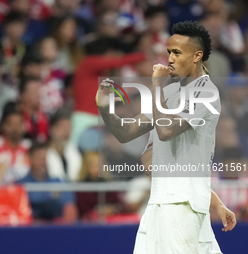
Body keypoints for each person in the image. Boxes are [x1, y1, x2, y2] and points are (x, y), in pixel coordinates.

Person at [96, 21, 236, 253]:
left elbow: (166, 130)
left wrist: (156, 86)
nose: (169, 58)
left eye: (177, 53)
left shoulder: (206, 93)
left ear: (196, 56)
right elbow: (125, 133)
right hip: (162, 204)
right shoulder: (169, 92)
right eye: (169, 52)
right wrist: (105, 109)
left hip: (181, 207)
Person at [17, 142, 77, 223]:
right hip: (32, 228)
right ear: (30, 159)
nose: (43, 161)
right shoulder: (21, 184)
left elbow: (69, 201)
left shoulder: (58, 182)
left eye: (45, 158)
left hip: (57, 227)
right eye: (39, 158)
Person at [0, 110, 31, 183]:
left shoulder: (29, 147)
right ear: (3, 126)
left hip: (24, 188)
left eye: (18, 124)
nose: (15, 128)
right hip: (1, 188)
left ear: (24, 127)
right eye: (11, 124)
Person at [46, 111, 81, 182]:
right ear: (52, 129)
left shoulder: (76, 150)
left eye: (69, 128)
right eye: (62, 127)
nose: (66, 132)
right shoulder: (44, 153)